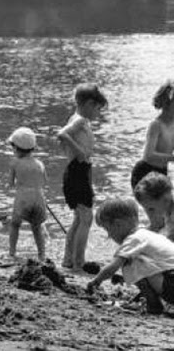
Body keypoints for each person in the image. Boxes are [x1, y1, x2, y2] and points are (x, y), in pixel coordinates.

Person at [86, 197, 174, 315]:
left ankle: (154, 305)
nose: (109, 236)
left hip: (171, 284)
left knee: (130, 263)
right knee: (140, 261)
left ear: (118, 224)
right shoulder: (146, 234)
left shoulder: (133, 239)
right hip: (169, 279)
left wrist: (96, 282)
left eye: (108, 230)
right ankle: (157, 303)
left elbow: (113, 267)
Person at [57, 83, 108, 270]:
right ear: (88, 103)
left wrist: (80, 154)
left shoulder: (78, 119)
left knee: (80, 218)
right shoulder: (79, 120)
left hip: (78, 172)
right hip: (77, 171)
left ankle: (68, 259)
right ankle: (78, 262)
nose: (98, 113)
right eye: (97, 108)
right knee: (86, 218)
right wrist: (80, 151)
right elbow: (62, 134)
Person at [7, 127, 47, 261]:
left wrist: (15, 185)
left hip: (23, 200)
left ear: (16, 148)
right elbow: (44, 182)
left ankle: (12, 252)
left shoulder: (15, 163)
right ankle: (41, 254)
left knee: (14, 224)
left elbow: (10, 183)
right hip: (39, 199)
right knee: (36, 228)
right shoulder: (40, 164)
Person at [130, 80, 174, 190]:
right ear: (166, 103)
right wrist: (172, 158)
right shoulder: (156, 125)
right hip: (145, 172)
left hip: (161, 173)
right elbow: (148, 155)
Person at [134, 172, 174, 240]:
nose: (150, 214)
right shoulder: (167, 206)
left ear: (165, 199)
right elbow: (156, 225)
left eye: (151, 209)